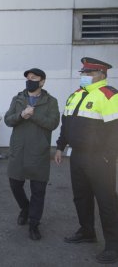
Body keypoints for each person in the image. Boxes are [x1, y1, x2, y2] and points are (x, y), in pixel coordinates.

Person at [54, 57, 118, 264]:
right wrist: (60, 146)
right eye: (83, 73)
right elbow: (66, 123)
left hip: (100, 158)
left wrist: (109, 156)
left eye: (89, 73)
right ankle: (87, 231)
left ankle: (113, 246)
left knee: (106, 201)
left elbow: (115, 130)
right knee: (81, 196)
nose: (84, 76)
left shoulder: (109, 95)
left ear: (102, 75)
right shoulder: (76, 95)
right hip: (78, 155)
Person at [4, 68, 60, 240]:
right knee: (15, 184)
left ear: (42, 81)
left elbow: (53, 123)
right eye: (28, 78)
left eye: (34, 78)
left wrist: (33, 115)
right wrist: (21, 114)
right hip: (18, 151)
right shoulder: (18, 98)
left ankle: (34, 224)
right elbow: (8, 120)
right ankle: (25, 208)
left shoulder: (50, 101)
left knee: (38, 190)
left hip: (39, 152)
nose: (30, 81)